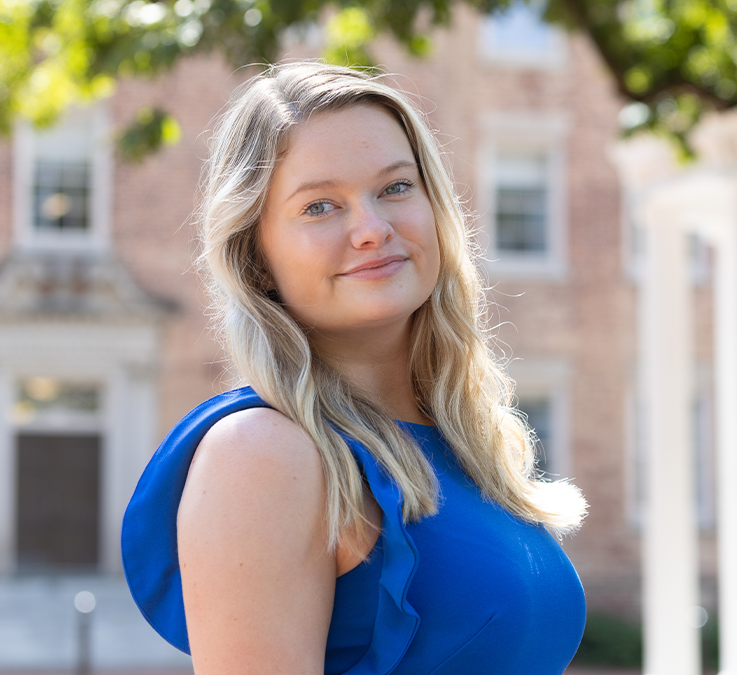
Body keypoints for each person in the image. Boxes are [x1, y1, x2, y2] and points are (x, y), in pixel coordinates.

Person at [121, 62, 588, 675]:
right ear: (257, 258)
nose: (372, 229)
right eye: (319, 206)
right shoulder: (262, 455)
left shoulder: (466, 442)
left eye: (396, 188)